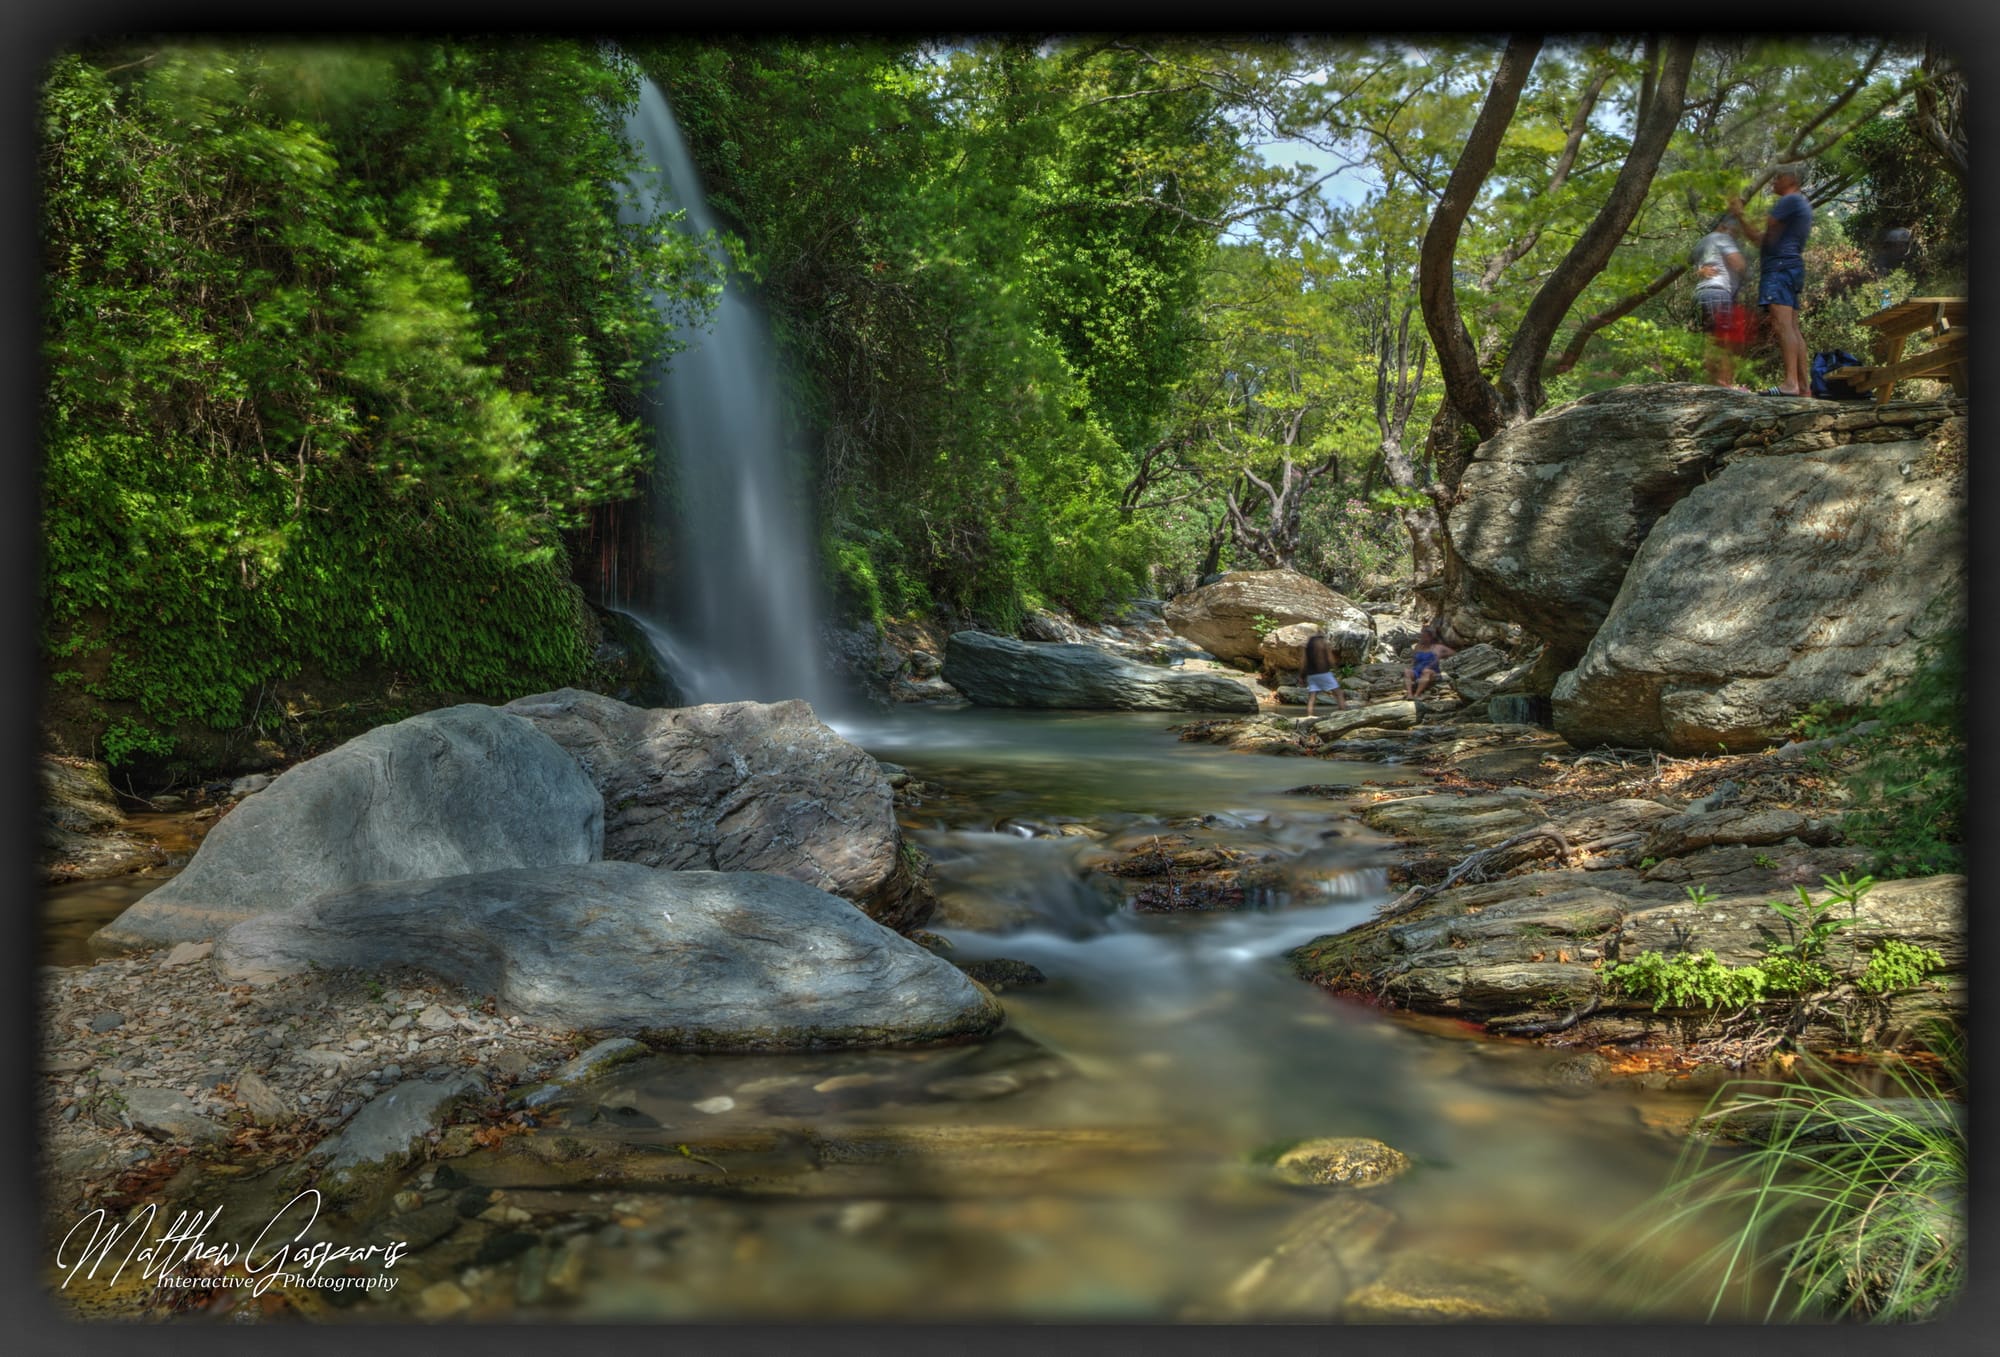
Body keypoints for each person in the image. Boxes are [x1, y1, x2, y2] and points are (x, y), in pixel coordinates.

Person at [1729, 165, 1813, 397]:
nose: (1773, 182)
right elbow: (1760, 239)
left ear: (1790, 179)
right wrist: (1740, 216)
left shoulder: (1790, 201)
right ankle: (1804, 386)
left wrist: (1741, 213)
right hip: (1790, 267)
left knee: (1782, 325)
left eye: (1777, 178)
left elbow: (1766, 230)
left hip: (1779, 268)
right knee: (1792, 327)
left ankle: (1791, 384)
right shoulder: (1800, 204)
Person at [1690, 218, 1750, 388]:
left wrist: (1700, 271)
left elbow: (1690, 262)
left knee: (1711, 339)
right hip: (1718, 292)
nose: (1735, 236)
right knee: (1725, 341)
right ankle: (1723, 386)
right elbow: (1739, 264)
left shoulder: (1703, 241)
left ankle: (1712, 384)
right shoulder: (1722, 237)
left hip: (1703, 292)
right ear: (1723, 227)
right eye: (1735, 232)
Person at [1300, 630, 1348, 717]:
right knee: (1338, 693)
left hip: (1311, 675)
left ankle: (1309, 716)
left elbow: (1304, 662)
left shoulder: (1308, 646)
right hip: (1324, 673)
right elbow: (1330, 659)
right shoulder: (1324, 643)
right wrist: (1336, 669)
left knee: (1312, 697)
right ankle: (1344, 714)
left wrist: (1302, 676)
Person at [1404, 626, 1454, 699]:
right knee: (1407, 671)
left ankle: (1417, 694)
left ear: (1431, 637)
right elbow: (1413, 660)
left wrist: (1441, 657)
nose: (1422, 638)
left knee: (1426, 671)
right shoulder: (1418, 646)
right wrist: (1412, 665)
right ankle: (1409, 694)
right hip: (1417, 670)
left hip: (1432, 672)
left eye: (1425, 637)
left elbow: (1453, 653)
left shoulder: (1439, 647)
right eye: (1422, 636)